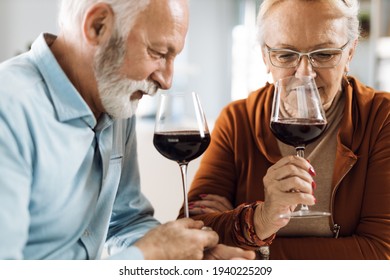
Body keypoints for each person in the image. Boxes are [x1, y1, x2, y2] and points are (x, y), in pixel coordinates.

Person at [0, 0, 255, 260]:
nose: (166, 81)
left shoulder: (114, 97)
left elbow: (125, 222)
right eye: (157, 53)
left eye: (173, 57)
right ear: (98, 26)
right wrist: (150, 254)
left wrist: (185, 258)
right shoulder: (8, 110)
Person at [184, 0, 390, 259]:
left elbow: (380, 253)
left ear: (349, 53)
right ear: (265, 57)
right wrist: (261, 218)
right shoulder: (237, 120)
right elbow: (191, 232)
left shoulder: (382, 118)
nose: (305, 73)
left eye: (324, 54)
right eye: (285, 55)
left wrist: (254, 251)